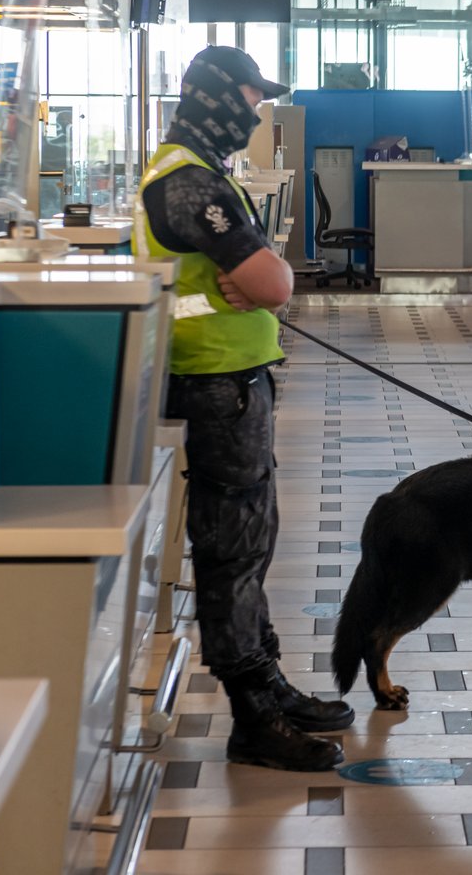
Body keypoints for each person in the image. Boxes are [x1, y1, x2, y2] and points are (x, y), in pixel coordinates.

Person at [136, 46, 353, 772]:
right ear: (217, 96)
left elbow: (261, 280)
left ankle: (270, 684)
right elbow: (274, 282)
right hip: (213, 384)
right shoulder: (190, 181)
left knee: (251, 543)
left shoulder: (197, 171)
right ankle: (253, 719)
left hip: (232, 379)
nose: (257, 114)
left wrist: (261, 279)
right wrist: (265, 279)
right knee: (231, 550)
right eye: (254, 101)